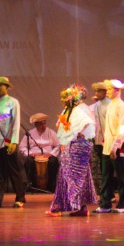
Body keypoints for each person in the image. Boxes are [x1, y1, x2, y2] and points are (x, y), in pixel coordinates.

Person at [46, 83, 98, 217]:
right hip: (72, 145)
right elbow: (63, 125)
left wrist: (76, 134)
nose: (64, 101)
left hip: (77, 146)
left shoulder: (81, 109)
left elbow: (88, 124)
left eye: (67, 98)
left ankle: (59, 208)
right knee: (74, 176)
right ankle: (80, 207)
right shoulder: (70, 110)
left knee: (71, 176)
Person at [0, 76, 27, 209]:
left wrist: (14, 142)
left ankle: (20, 198)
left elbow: (15, 123)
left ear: (6, 86)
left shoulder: (13, 102)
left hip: (8, 141)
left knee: (14, 171)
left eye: (0, 85)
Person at [94, 79, 124, 213]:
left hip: (118, 146)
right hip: (107, 145)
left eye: (109, 89)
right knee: (106, 175)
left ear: (117, 91)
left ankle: (121, 204)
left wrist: (115, 147)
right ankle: (105, 204)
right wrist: (106, 142)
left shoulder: (122, 106)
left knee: (121, 176)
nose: (107, 92)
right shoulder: (111, 105)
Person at [19, 113, 60, 192]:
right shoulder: (30, 133)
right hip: (34, 156)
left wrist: (51, 154)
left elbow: (58, 145)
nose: (43, 125)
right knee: (28, 161)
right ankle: (32, 185)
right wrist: (30, 153)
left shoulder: (51, 133)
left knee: (54, 161)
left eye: (44, 123)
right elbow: (22, 146)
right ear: (36, 124)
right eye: (41, 124)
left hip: (48, 155)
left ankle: (51, 186)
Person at [89, 81, 111, 194]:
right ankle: (104, 193)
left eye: (99, 91)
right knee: (102, 167)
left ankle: (109, 192)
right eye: (96, 91)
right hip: (98, 140)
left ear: (104, 92)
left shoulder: (110, 104)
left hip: (108, 140)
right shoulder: (96, 105)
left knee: (108, 168)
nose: (96, 93)